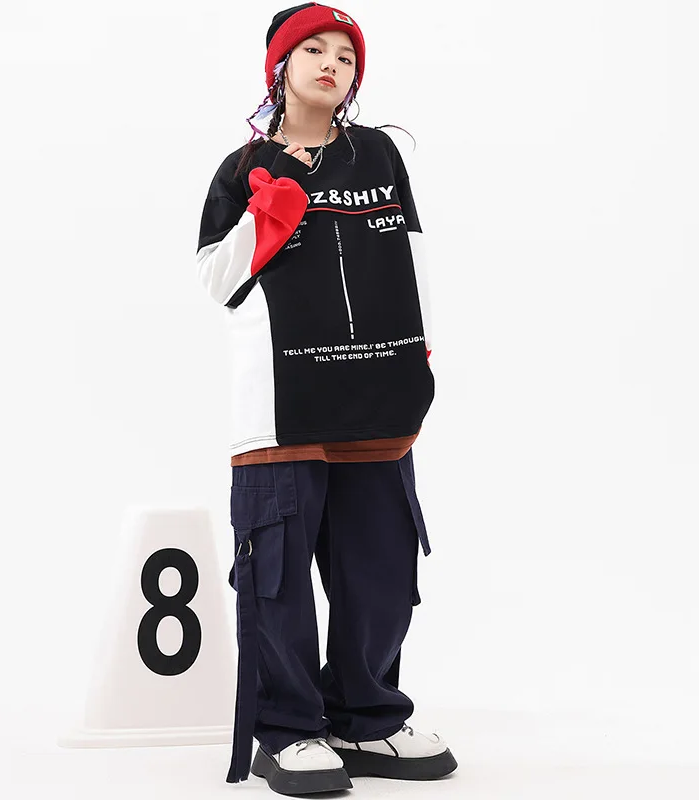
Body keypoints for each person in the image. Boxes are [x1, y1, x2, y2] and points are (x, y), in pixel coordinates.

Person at [195, 3, 457, 794]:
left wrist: (421, 352)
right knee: (276, 572)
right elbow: (216, 281)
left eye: (346, 55)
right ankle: (288, 730)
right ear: (280, 67)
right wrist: (263, 220)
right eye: (314, 49)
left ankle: (366, 718)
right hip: (284, 406)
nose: (332, 63)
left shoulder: (378, 154)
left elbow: (411, 256)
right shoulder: (242, 168)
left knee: (380, 566)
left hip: (377, 398)